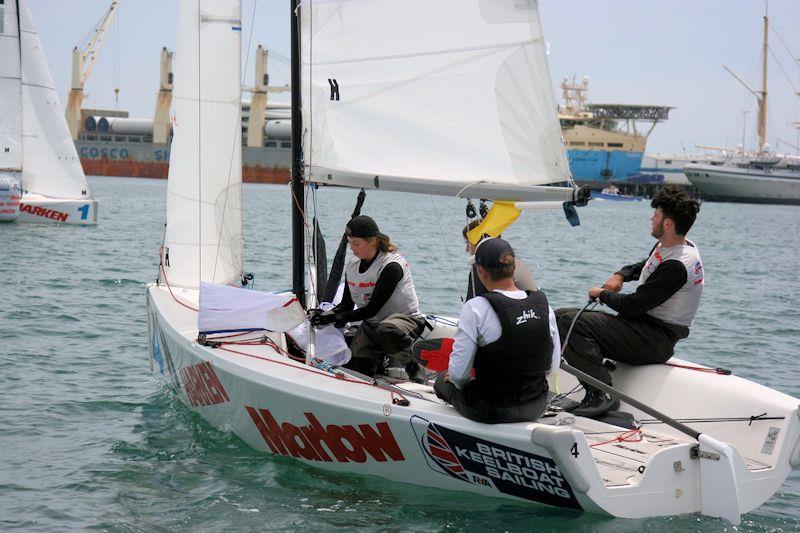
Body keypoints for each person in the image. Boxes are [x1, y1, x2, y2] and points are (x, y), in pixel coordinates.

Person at [555, 186, 703, 418]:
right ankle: (595, 379)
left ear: (667, 224)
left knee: (570, 322)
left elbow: (633, 305)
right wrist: (621, 275)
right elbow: (645, 265)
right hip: (642, 328)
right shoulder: (672, 246)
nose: (651, 218)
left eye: (656, 214)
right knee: (559, 315)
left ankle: (602, 394)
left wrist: (602, 294)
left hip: (654, 339)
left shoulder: (677, 266)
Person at [434, 237, 561, 424]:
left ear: (481, 271)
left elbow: (458, 376)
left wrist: (455, 379)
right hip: (536, 405)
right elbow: (552, 367)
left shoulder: (475, 307)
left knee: (441, 381)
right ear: (514, 268)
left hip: (492, 409)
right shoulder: (544, 306)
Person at [310, 215, 426, 378]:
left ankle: (412, 367)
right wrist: (324, 316)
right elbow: (346, 305)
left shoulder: (391, 266)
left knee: (385, 331)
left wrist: (334, 318)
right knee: (355, 369)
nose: (352, 248)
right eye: (349, 242)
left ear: (372, 241)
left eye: (356, 243)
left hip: (404, 321)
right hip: (372, 324)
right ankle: (377, 367)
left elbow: (371, 309)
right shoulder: (352, 265)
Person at [462, 220, 537, 300]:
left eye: (468, 243)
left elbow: (472, 306)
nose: (467, 249)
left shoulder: (483, 267)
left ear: (481, 242)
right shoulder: (514, 262)